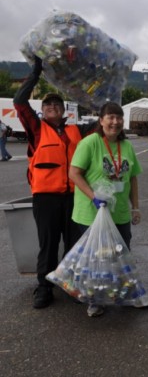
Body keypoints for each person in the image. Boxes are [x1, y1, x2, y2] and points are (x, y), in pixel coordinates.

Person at [14, 56, 96, 309]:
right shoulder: (37, 129)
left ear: (64, 110)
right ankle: (44, 287)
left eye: (56, 104)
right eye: (47, 104)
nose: (52, 106)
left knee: (74, 244)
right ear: (43, 109)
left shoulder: (77, 130)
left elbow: (105, 118)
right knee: (48, 244)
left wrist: (92, 82)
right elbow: (19, 102)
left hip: (74, 197)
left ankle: (71, 283)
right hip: (46, 198)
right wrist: (36, 71)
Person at [69, 101, 142, 317]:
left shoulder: (126, 146)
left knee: (121, 254)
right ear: (101, 121)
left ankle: (122, 293)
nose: (115, 122)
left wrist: (135, 207)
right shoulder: (90, 143)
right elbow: (74, 173)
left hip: (118, 213)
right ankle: (95, 299)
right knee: (97, 257)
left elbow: (133, 178)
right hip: (93, 214)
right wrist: (93, 197)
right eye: (110, 117)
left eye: (119, 117)